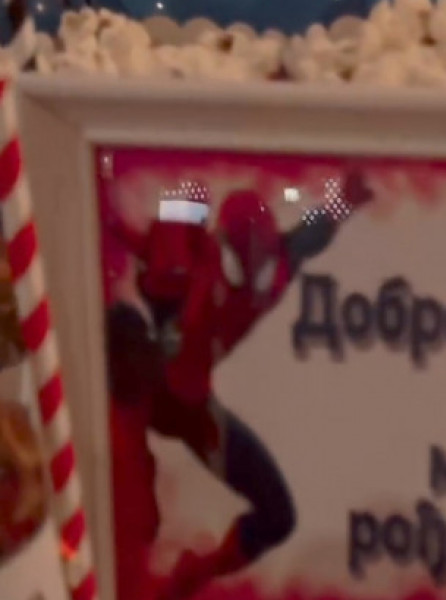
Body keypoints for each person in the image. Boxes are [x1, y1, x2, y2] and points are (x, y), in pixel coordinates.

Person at [105, 170, 372, 599]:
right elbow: (142, 241)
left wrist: (348, 200)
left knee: (278, 517)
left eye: (260, 260)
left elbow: (315, 227)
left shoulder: (278, 262)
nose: (252, 270)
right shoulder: (190, 264)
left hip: (191, 409)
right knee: (139, 518)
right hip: (146, 392)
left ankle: (187, 578)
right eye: (242, 259)